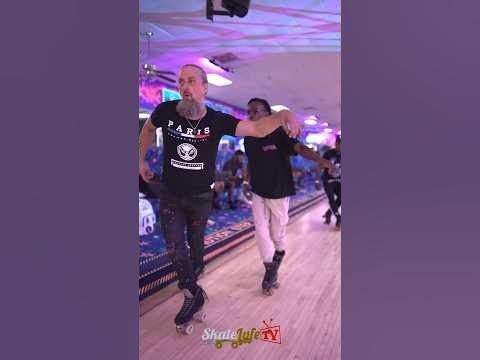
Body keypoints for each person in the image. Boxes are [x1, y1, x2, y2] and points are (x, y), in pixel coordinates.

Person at [138, 64, 301, 330]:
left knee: (197, 251)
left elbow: (258, 129)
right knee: (174, 247)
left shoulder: (217, 120)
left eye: (191, 81)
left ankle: (194, 283)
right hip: (170, 193)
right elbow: (147, 131)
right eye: (181, 82)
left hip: (201, 197)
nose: (184, 87)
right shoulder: (166, 111)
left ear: (204, 88)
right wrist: (139, 159)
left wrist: (284, 114)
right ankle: (193, 294)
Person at [243, 98, 334, 295]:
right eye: (248, 112)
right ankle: (269, 269)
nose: (251, 115)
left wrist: (320, 159)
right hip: (258, 189)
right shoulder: (249, 137)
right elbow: (251, 161)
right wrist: (245, 182)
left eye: (255, 111)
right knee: (260, 229)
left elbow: (299, 148)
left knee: (277, 233)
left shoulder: (278, 133)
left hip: (279, 190)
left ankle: (279, 253)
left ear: (268, 113)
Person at [322, 135, 341, 227]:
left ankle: (329, 213)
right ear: (336, 144)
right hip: (328, 180)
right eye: (340, 145)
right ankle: (339, 218)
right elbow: (320, 166)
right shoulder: (328, 154)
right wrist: (327, 165)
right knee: (331, 199)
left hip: (339, 180)